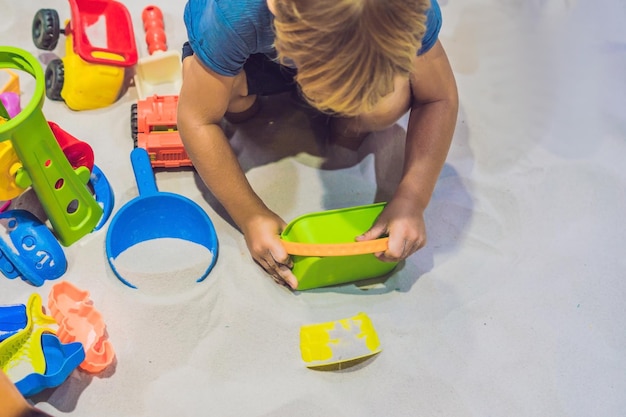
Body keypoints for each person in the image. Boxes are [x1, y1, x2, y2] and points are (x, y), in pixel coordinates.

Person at [178, 0, 458, 289]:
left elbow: (438, 97)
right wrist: (250, 215)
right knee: (233, 106)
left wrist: (413, 198)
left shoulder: (408, 9)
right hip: (251, 53)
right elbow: (196, 119)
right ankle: (247, 101)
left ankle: (347, 110)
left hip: (302, 41)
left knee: (374, 109)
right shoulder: (232, 14)